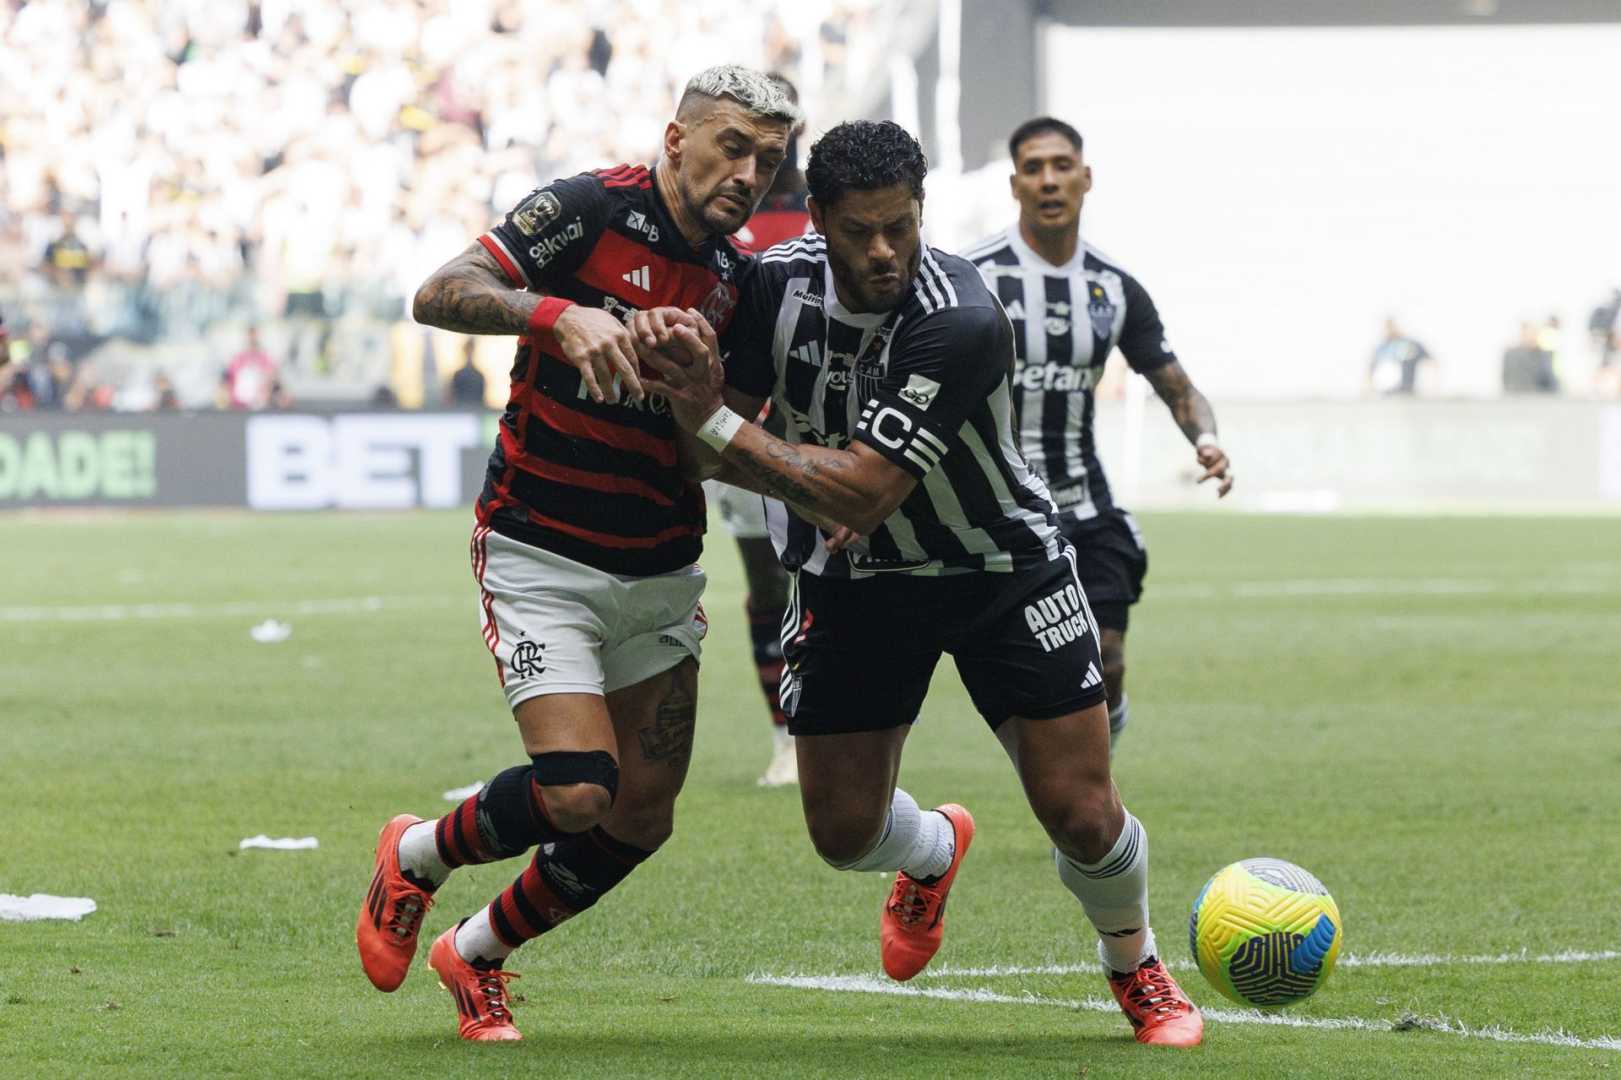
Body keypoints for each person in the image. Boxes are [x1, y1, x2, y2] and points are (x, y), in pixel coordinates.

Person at [636, 120, 1202, 1048]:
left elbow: (855, 486)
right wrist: (730, 438)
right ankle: (935, 847)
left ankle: (1133, 964)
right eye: (859, 230)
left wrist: (730, 441)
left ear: (922, 212)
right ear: (817, 218)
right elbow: (707, 441)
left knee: (1082, 812)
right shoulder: (772, 287)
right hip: (852, 584)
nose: (883, 250)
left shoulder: (963, 314)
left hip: (998, 567)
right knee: (843, 835)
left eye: (900, 225)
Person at [353, 65, 796, 1043]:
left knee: (638, 819)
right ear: (676, 140)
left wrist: (700, 395)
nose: (748, 172)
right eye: (732, 145)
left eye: (767, 159)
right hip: (540, 552)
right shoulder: (586, 210)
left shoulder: (745, 285)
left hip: (660, 572)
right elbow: (440, 292)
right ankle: (417, 856)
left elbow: (708, 453)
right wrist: (555, 314)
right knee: (577, 791)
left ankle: (473, 956)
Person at [964, 117, 1233, 754]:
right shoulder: (972, 276)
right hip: (993, 514)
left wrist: (1205, 440)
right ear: (1014, 184)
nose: (1049, 180)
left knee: (1106, 659)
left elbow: (1176, 385)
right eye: (1034, 168)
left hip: (1086, 507)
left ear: (1086, 179)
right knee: (1023, 686)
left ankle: (1094, 801)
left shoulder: (1113, 287)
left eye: (1062, 166)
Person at [709, 72, 809, 788]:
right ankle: (786, 734)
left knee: (835, 582)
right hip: (738, 436)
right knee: (768, 584)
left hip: (820, 434)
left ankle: (832, 725)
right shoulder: (715, 215)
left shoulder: (825, 209)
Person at [1367, 317, 1433, 396]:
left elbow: (1431, 363)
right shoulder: (1381, 348)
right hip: (1384, 394)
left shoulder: (1410, 344)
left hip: (1406, 393)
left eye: (1391, 326)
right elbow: (1370, 370)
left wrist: (1431, 387)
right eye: (1387, 327)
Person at [448, 340, 489, 407]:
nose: (469, 352)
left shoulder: (479, 375)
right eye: (468, 350)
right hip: (462, 411)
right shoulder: (458, 375)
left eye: (470, 349)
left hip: (473, 410)